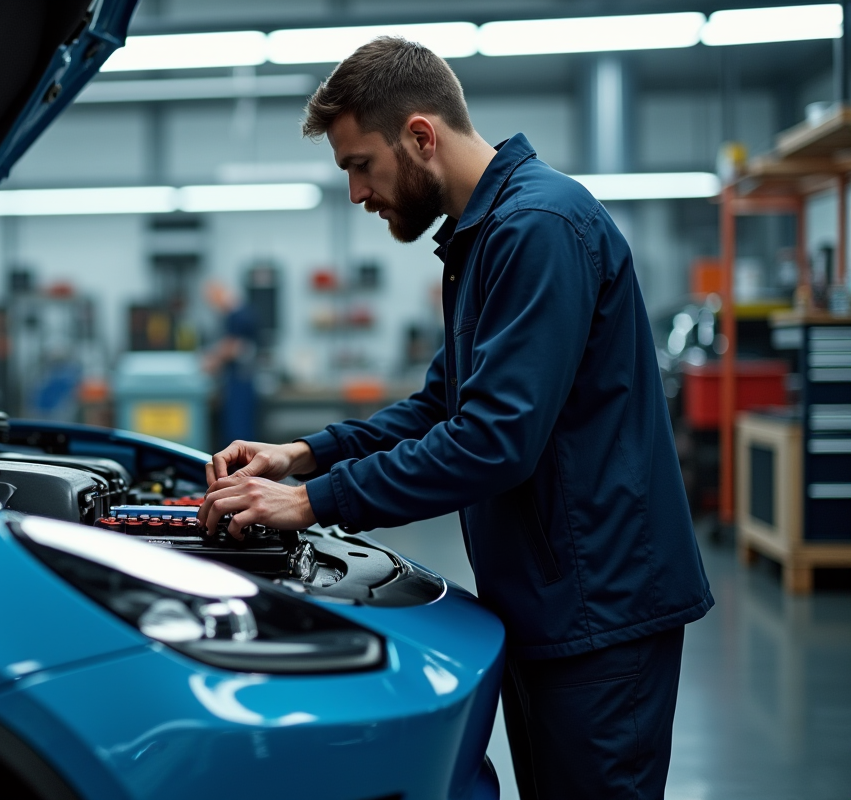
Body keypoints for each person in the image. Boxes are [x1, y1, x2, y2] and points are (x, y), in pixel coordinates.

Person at [197, 37, 712, 800]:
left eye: (359, 165)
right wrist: (303, 455)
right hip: (552, 605)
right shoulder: (486, 239)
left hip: (600, 613)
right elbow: (443, 405)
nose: (356, 194)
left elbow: (493, 440)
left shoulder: (537, 228)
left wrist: (311, 504)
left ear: (420, 137)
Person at [201, 281, 259, 445]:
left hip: (239, 382)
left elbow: (233, 347)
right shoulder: (240, 315)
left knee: (239, 431)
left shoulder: (237, 316)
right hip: (237, 380)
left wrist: (212, 360)